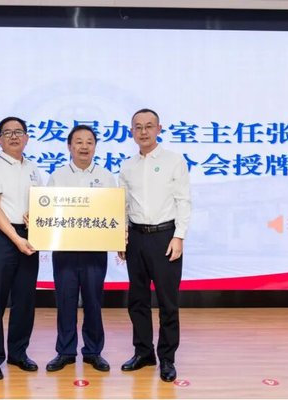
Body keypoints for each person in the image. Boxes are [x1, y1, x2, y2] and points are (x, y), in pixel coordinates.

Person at [118, 108, 191, 382]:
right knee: (137, 300)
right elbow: (123, 206)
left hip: (165, 236)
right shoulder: (127, 166)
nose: (144, 131)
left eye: (149, 126)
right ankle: (143, 353)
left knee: (167, 302)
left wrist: (179, 236)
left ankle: (167, 358)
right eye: (138, 127)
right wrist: (121, 237)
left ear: (159, 129)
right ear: (131, 132)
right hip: (136, 237)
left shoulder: (174, 161)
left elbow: (184, 201)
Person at [45, 125, 116, 373]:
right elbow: (48, 211)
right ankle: (65, 352)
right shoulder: (58, 176)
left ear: (95, 147)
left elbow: (115, 211)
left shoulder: (106, 177)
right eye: (78, 142)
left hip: (95, 250)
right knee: (65, 301)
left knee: (93, 302)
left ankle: (93, 352)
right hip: (64, 249)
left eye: (89, 142)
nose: (84, 146)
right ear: (69, 146)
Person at [0, 116, 42, 380]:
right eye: (7, 132)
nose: (14, 136)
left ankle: (18, 353)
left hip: (29, 236)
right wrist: (16, 238)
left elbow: (40, 204)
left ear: (26, 137)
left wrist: (35, 216)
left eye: (18, 132)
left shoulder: (34, 169)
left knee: (25, 300)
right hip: (3, 238)